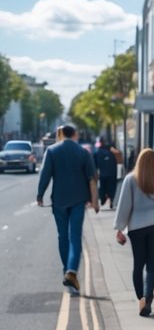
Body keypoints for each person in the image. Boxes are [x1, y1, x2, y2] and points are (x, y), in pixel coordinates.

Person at [36, 124, 98, 294]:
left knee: (62, 236)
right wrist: (95, 201)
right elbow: (92, 178)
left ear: (61, 133)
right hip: (79, 200)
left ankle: (67, 272)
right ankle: (72, 271)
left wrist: (40, 194)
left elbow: (45, 174)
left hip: (59, 201)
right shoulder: (83, 152)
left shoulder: (52, 151)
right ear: (75, 134)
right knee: (75, 237)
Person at [113, 148, 154, 316]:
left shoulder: (129, 180)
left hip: (135, 228)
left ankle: (141, 299)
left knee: (138, 264)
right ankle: (148, 299)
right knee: (152, 265)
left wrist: (120, 228)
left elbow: (124, 206)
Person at [93, 137, 120, 209]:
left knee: (102, 187)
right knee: (112, 188)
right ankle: (111, 200)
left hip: (102, 174)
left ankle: (103, 199)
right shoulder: (113, 151)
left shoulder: (97, 151)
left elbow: (95, 164)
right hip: (112, 173)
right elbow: (119, 160)